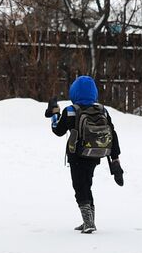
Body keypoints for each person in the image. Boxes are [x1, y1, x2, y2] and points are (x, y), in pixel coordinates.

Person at [45, 75, 123, 234]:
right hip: (95, 154)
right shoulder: (103, 110)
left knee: (79, 187)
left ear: (74, 93)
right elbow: (112, 134)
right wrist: (115, 158)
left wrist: (54, 114)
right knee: (87, 184)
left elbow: (58, 131)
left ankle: (88, 222)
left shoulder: (71, 111)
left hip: (77, 155)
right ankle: (89, 220)